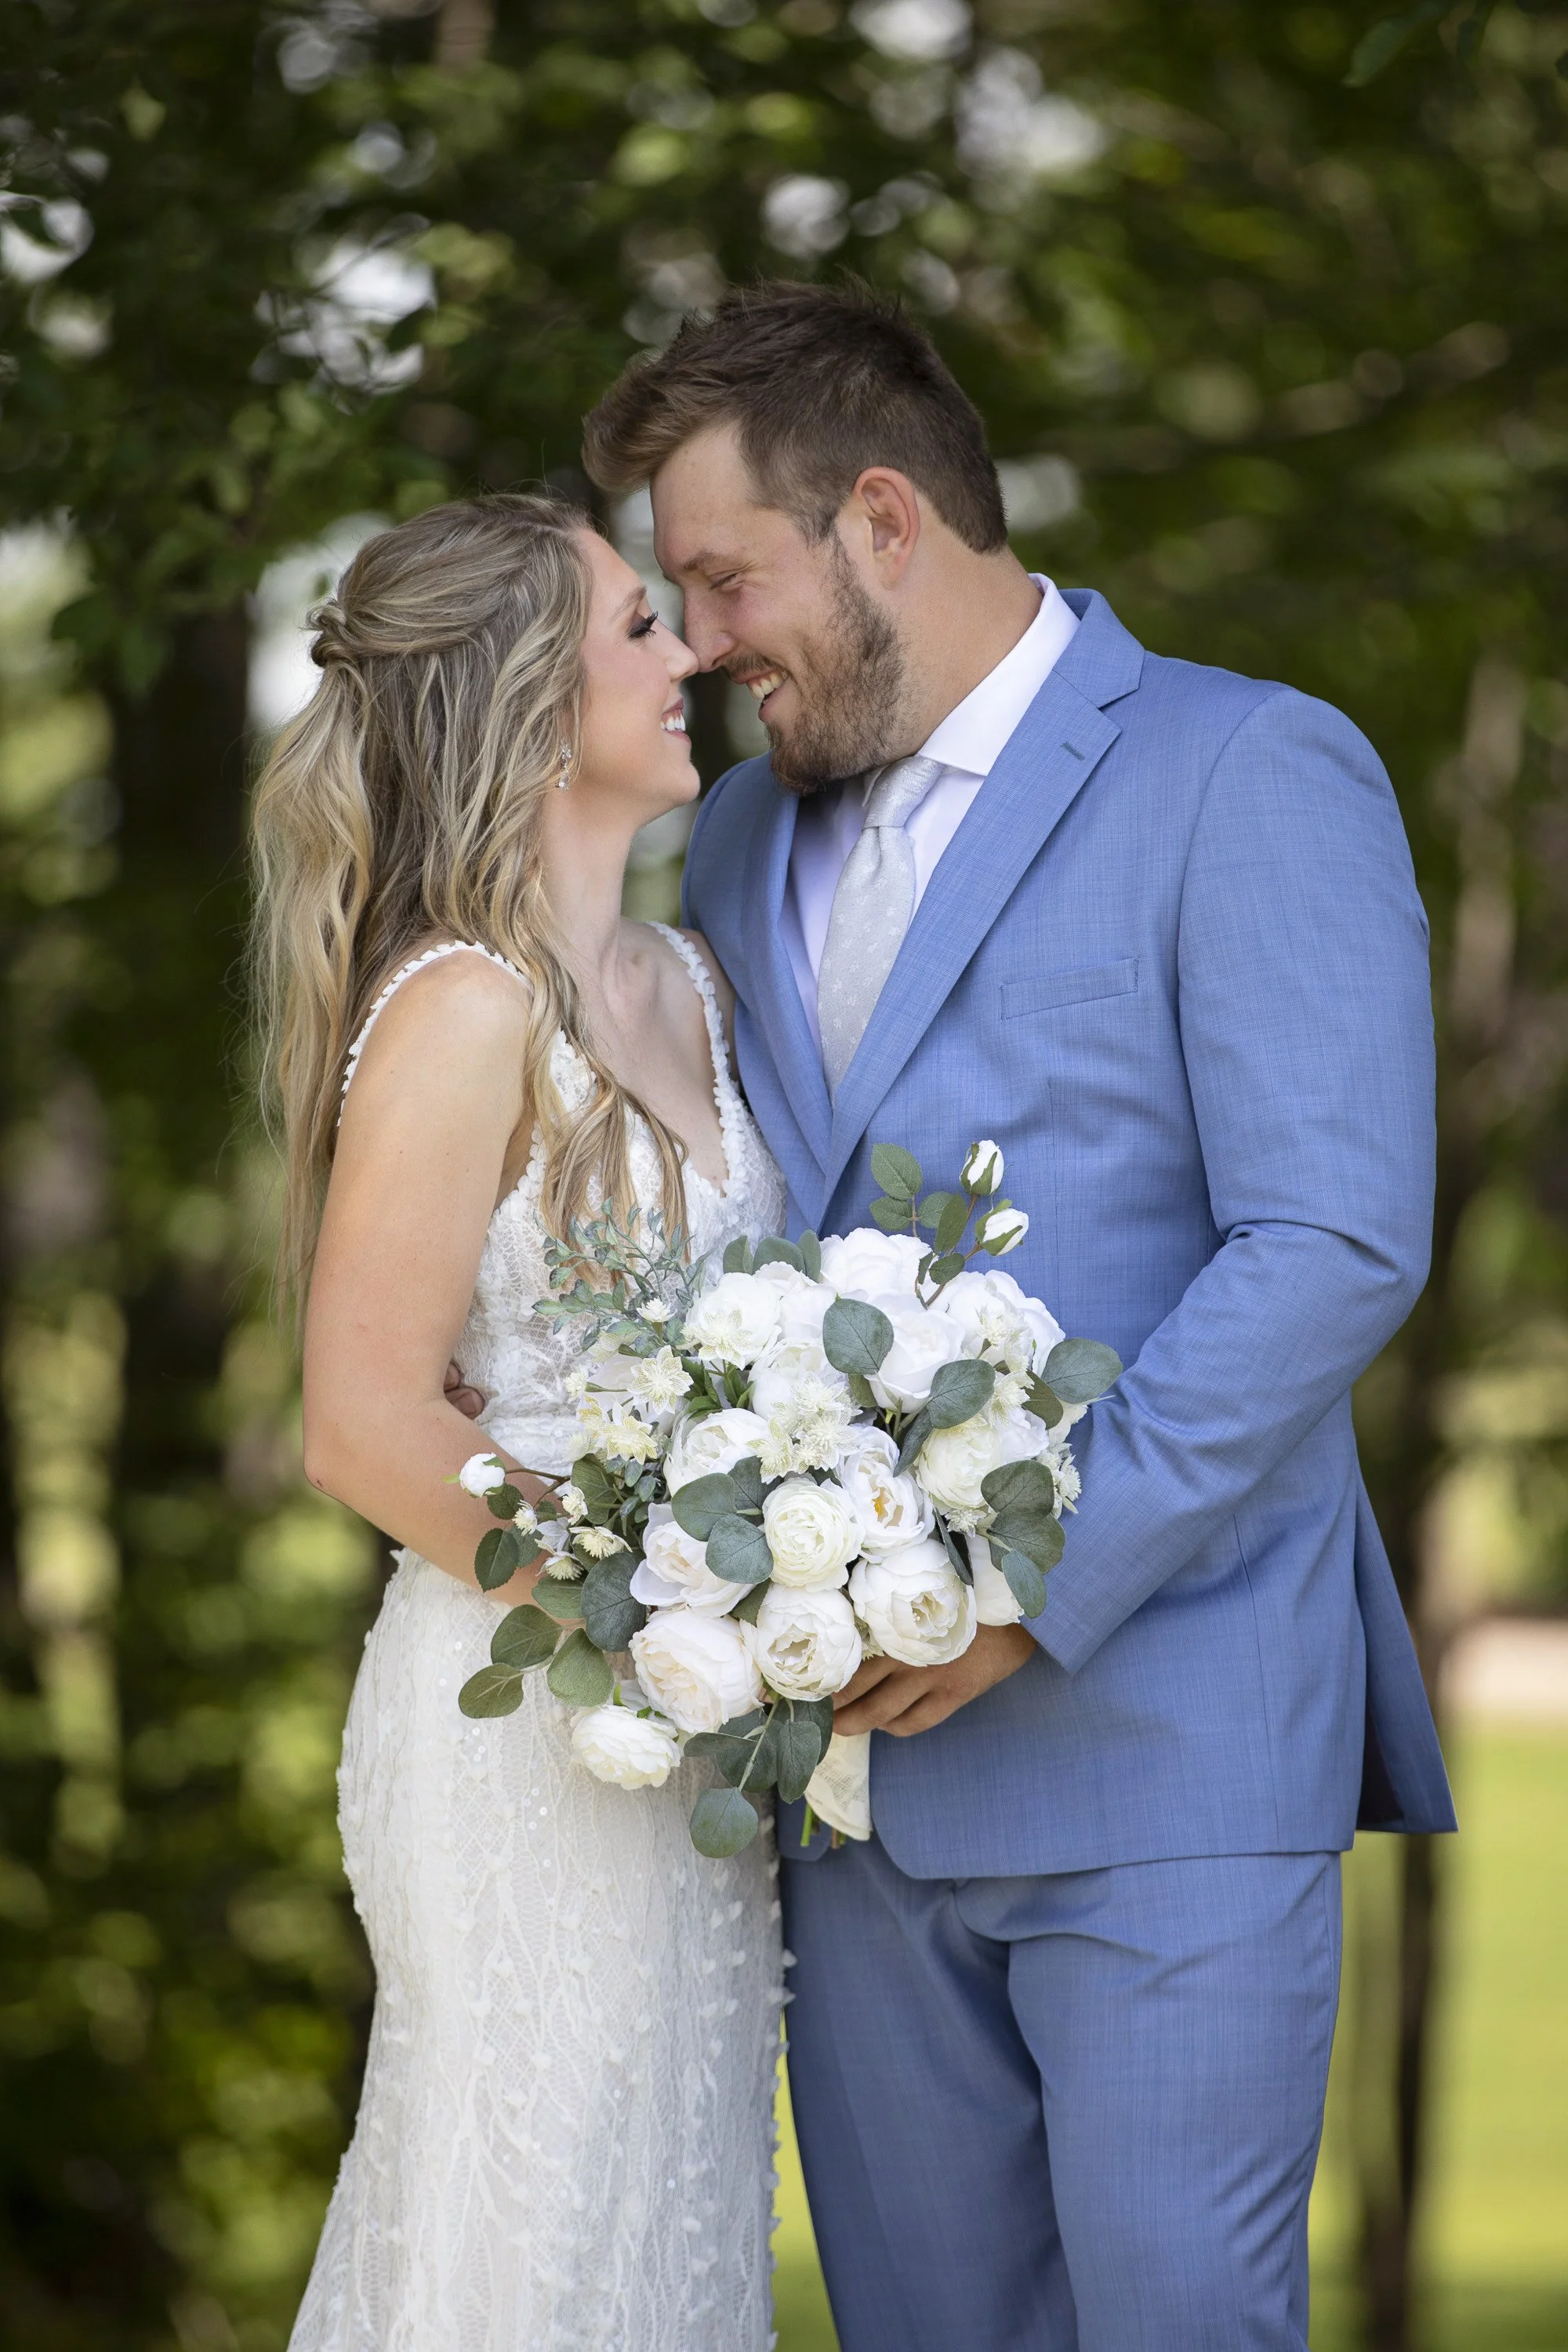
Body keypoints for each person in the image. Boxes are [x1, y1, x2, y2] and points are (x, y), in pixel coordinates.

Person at [583, 281, 1457, 2352]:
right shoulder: (717, 847)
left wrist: (1019, 1589)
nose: (697, 645)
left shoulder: (1247, 769)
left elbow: (1333, 1241)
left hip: (1166, 1739)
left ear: (881, 519)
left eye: (718, 579)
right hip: (849, 1788)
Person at [249, 493, 786, 2352]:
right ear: (536, 700)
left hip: (696, 1762)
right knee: (528, 2246)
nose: (692, 654)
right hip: (523, 1735)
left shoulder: (692, 987)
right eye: (644, 625)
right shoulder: (465, 1007)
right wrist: (661, 1626)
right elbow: (362, 1422)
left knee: (661, 2228)